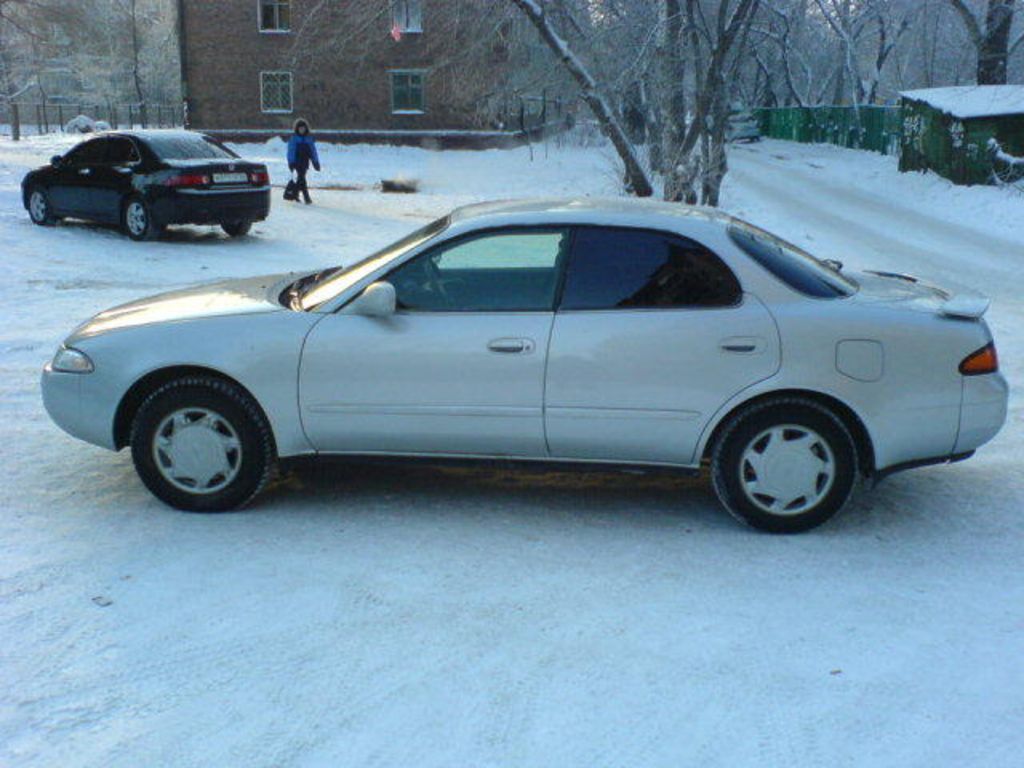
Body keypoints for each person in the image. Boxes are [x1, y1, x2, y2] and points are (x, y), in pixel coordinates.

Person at [287, 118, 321, 204]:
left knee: (301, 178)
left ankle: (295, 194)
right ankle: (306, 197)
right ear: (297, 129)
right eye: (300, 128)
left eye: (303, 128)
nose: (302, 130)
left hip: (305, 162)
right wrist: (291, 162)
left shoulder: (308, 139)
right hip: (297, 162)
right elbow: (291, 151)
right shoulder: (294, 139)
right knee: (301, 178)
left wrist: (315, 162)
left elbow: (313, 151)